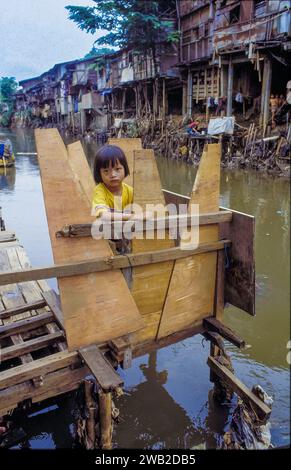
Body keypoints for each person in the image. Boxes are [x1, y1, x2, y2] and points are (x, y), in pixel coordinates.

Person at [92, 144, 133, 222]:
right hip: (105, 232)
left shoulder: (130, 191)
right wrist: (134, 217)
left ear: (125, 169)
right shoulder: (100, 191)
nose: (113, 175)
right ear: (99, 173)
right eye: (106, 171)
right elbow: (104, 216)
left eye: (117, 169)